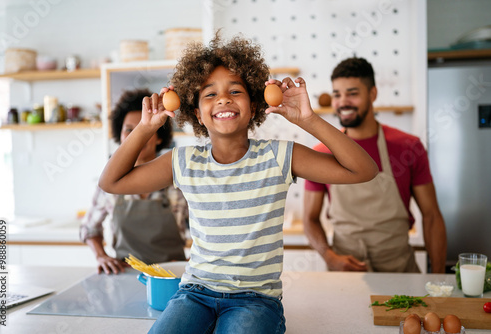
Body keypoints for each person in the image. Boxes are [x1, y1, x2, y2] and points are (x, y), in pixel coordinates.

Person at [98, 33, 378, 334]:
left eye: (235, 90)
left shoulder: (280, 156)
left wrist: (307, 120)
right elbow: (111, 181)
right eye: (210, 94)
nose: (223, 99)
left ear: (255, 106)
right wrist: (144, 129)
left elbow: (363, 170)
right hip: (195, 294)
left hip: (255, 300)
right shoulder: (184, 162)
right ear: (197, 114)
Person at [303, 57, 447, 273]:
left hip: (399, 272)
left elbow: (432, 216)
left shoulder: (408, 147)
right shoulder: (322, 153)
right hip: (345, 274)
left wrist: (438, 279)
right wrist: (330, 257)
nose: (343, 102)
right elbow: (310, 219)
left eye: (352, 93)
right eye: (337, 94)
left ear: (373, 94)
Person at [80, 89, 188, 275]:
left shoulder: (178, 179)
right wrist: (101, 256)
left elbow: (203, 232)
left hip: (171, 277)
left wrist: (192, 262)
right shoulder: (108, 184)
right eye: (129, 130)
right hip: (125, 275)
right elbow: (89, 229)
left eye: (145, 128)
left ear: (159, 136)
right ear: (119, 134)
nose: (135, 136)